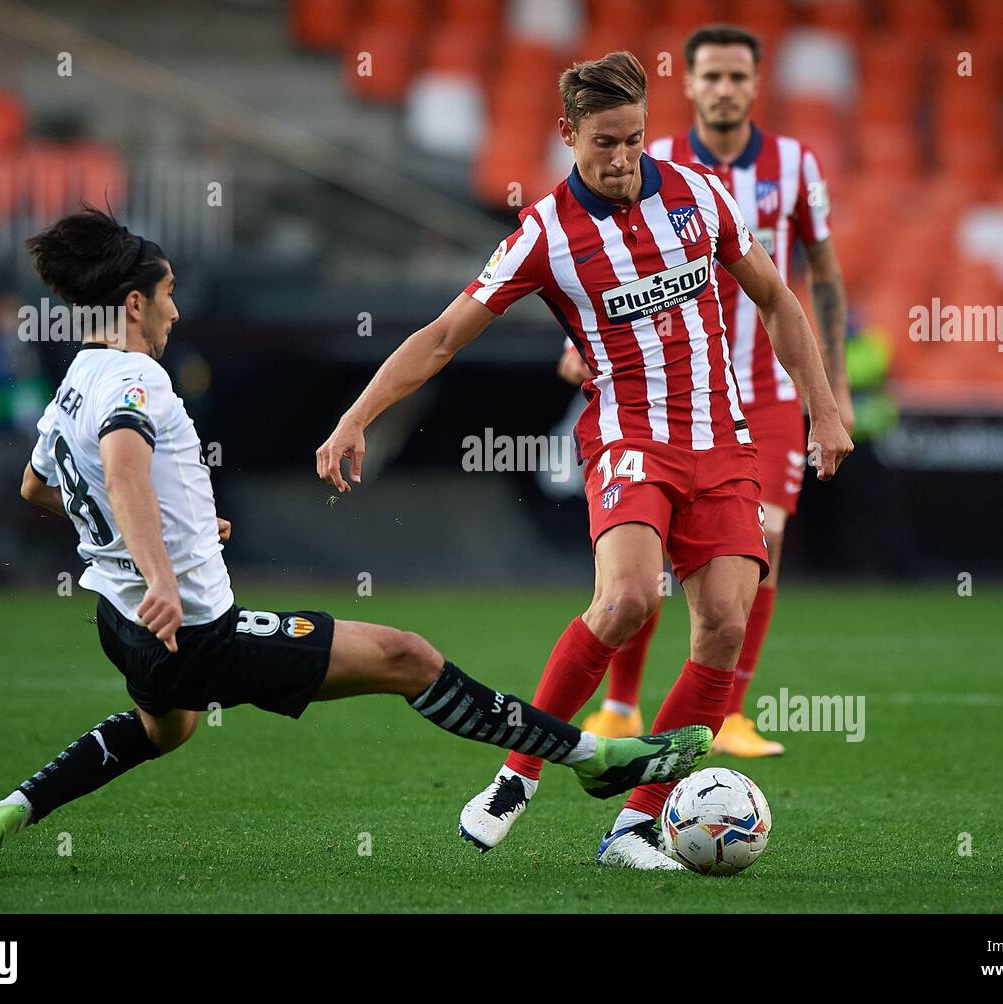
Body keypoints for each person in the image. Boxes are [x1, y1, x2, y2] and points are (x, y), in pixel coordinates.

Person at [0, 207, 711, 875]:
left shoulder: (78, 374)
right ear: (137, 303)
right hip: (190, 631)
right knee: (408, 657)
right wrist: (160, 571)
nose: (178, 310)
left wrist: (167, 535)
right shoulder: (137, 379)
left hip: (124, 628)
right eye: (170, 293)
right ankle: (597, 758)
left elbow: (39, 485)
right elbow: (120, 466)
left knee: (164, 729)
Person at [317, 52, 851, 869]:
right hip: (629, 438)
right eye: (605, 142)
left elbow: (777, 297)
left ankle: (635, 825)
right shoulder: (543, 234)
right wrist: (357, 417)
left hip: (722, 440)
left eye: (635, 139)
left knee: (726, 627)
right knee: (630, 598)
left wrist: (823, 407)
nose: (624, 159)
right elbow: (441, 337)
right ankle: (517, 773)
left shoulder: (701, 196)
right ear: (567, 135)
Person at [576, 24, 855, 758]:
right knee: (652, 555)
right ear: (690, 85)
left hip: (762, 390)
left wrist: (834, 393)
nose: (725, 89)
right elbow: (595, 265)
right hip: (667, 388)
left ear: (755, 84)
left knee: (762, 537)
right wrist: (576, 353)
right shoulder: (651, 160)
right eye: (712, 77)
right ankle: (622, 707)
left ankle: (728, 711)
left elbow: (820, 275)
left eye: (738, 76)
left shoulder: (796, 164)